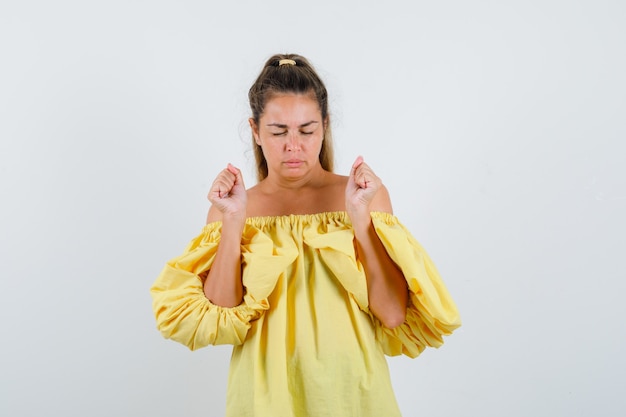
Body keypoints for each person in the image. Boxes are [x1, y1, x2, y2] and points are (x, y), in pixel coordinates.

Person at [150, 53, 461, 417]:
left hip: (352, 393)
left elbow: (393, 315)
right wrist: (233, 223)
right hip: (264, 397)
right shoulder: (234, 207)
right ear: (255, 131)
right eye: (278, 132)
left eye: (307, 130)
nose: (293, 146)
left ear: (325, 125)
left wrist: (361, 222)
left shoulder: (365, 196)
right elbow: (221, 316)